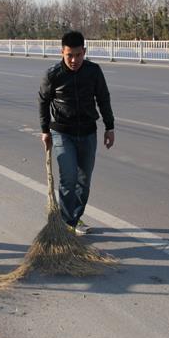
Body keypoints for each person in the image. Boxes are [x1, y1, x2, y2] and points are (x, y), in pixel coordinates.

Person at [38, 31, 115, 235]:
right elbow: (43, 101)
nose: (74, 60)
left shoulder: (93, 71)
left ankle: (74, 217)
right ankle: (66, 223)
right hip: (62, 132)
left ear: (84, 52)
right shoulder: (53, 74)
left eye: (78, 55)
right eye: (69, 55)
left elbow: (103, 98)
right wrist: (44, 130)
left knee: (84, 181)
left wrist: (109, 127)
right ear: (61, 52)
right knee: (68, 178)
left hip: (88, 132)